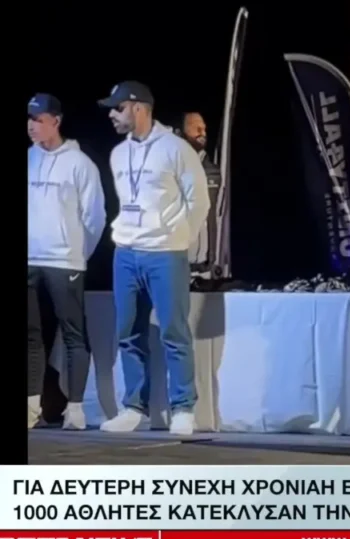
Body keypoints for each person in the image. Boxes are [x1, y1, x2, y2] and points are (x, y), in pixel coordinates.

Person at [97, 82, 210, 435]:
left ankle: (184, 408)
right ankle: (134, 408)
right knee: (128, 333)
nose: (112, 115)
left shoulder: (176, 148)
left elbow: (199, 201)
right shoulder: (118, 154)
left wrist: (179, 238)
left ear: (138, 108)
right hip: (126, 253)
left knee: (174, 332)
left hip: (165, 254)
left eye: (118, 108)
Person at [27, 93, 106, 430]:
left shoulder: (79, 164)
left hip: (65, 261)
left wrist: (77, 253)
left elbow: (95, 217)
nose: (32, 126)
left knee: (73, 335)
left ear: (56, 121)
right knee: (31, 336)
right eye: (29, 119)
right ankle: (31, 405)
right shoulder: (29, 158)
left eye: (39, 120)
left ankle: (75, 408)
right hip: (30, 259)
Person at [178, 111, 224, 281]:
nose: (202, 132)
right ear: (180, 132)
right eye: (195, 127)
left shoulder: (214, 172)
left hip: (205, 269)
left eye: (203, 128)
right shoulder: (168, 169)